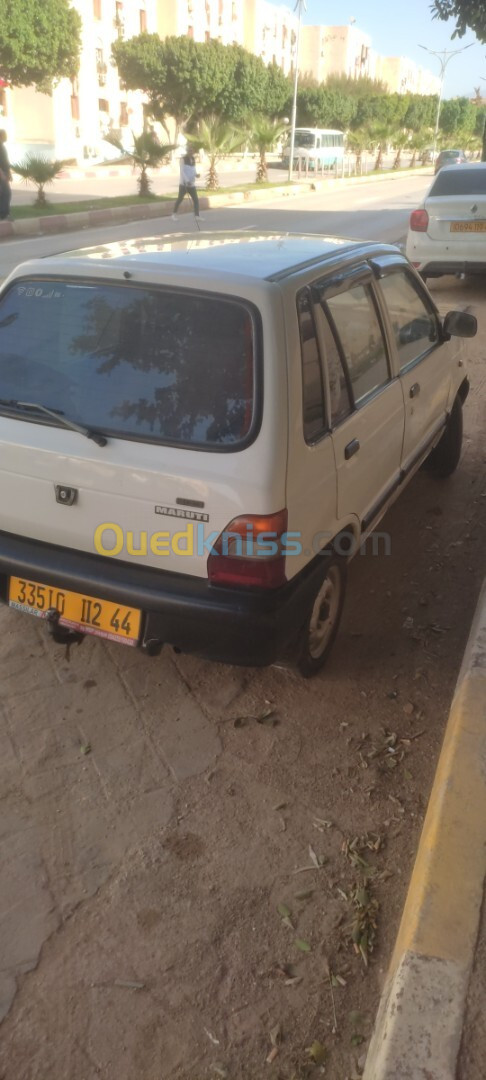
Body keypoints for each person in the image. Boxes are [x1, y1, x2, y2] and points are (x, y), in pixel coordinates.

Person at [172, 152, 204, 221]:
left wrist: (196, 175)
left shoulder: (193, 159)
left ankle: (197, 216)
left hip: (192, 184)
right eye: (190, 151)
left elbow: (193, 169)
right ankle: (174, 214)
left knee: (196, 200)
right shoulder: (182, 159)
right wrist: (187, 181)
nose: (192, 153)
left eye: (192, 151)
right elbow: (182, 171)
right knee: (180, 199)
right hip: (184, 184)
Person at [0, 130, 11, 221]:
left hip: (4, 173)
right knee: (6, 193)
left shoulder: (2, 146)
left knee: (5, 193)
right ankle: (4, 214)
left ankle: (4, 213)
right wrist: (2, 174)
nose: (6, 136)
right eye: (4, 135)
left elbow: (5, 161)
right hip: (1, 174)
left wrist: (9, 174)